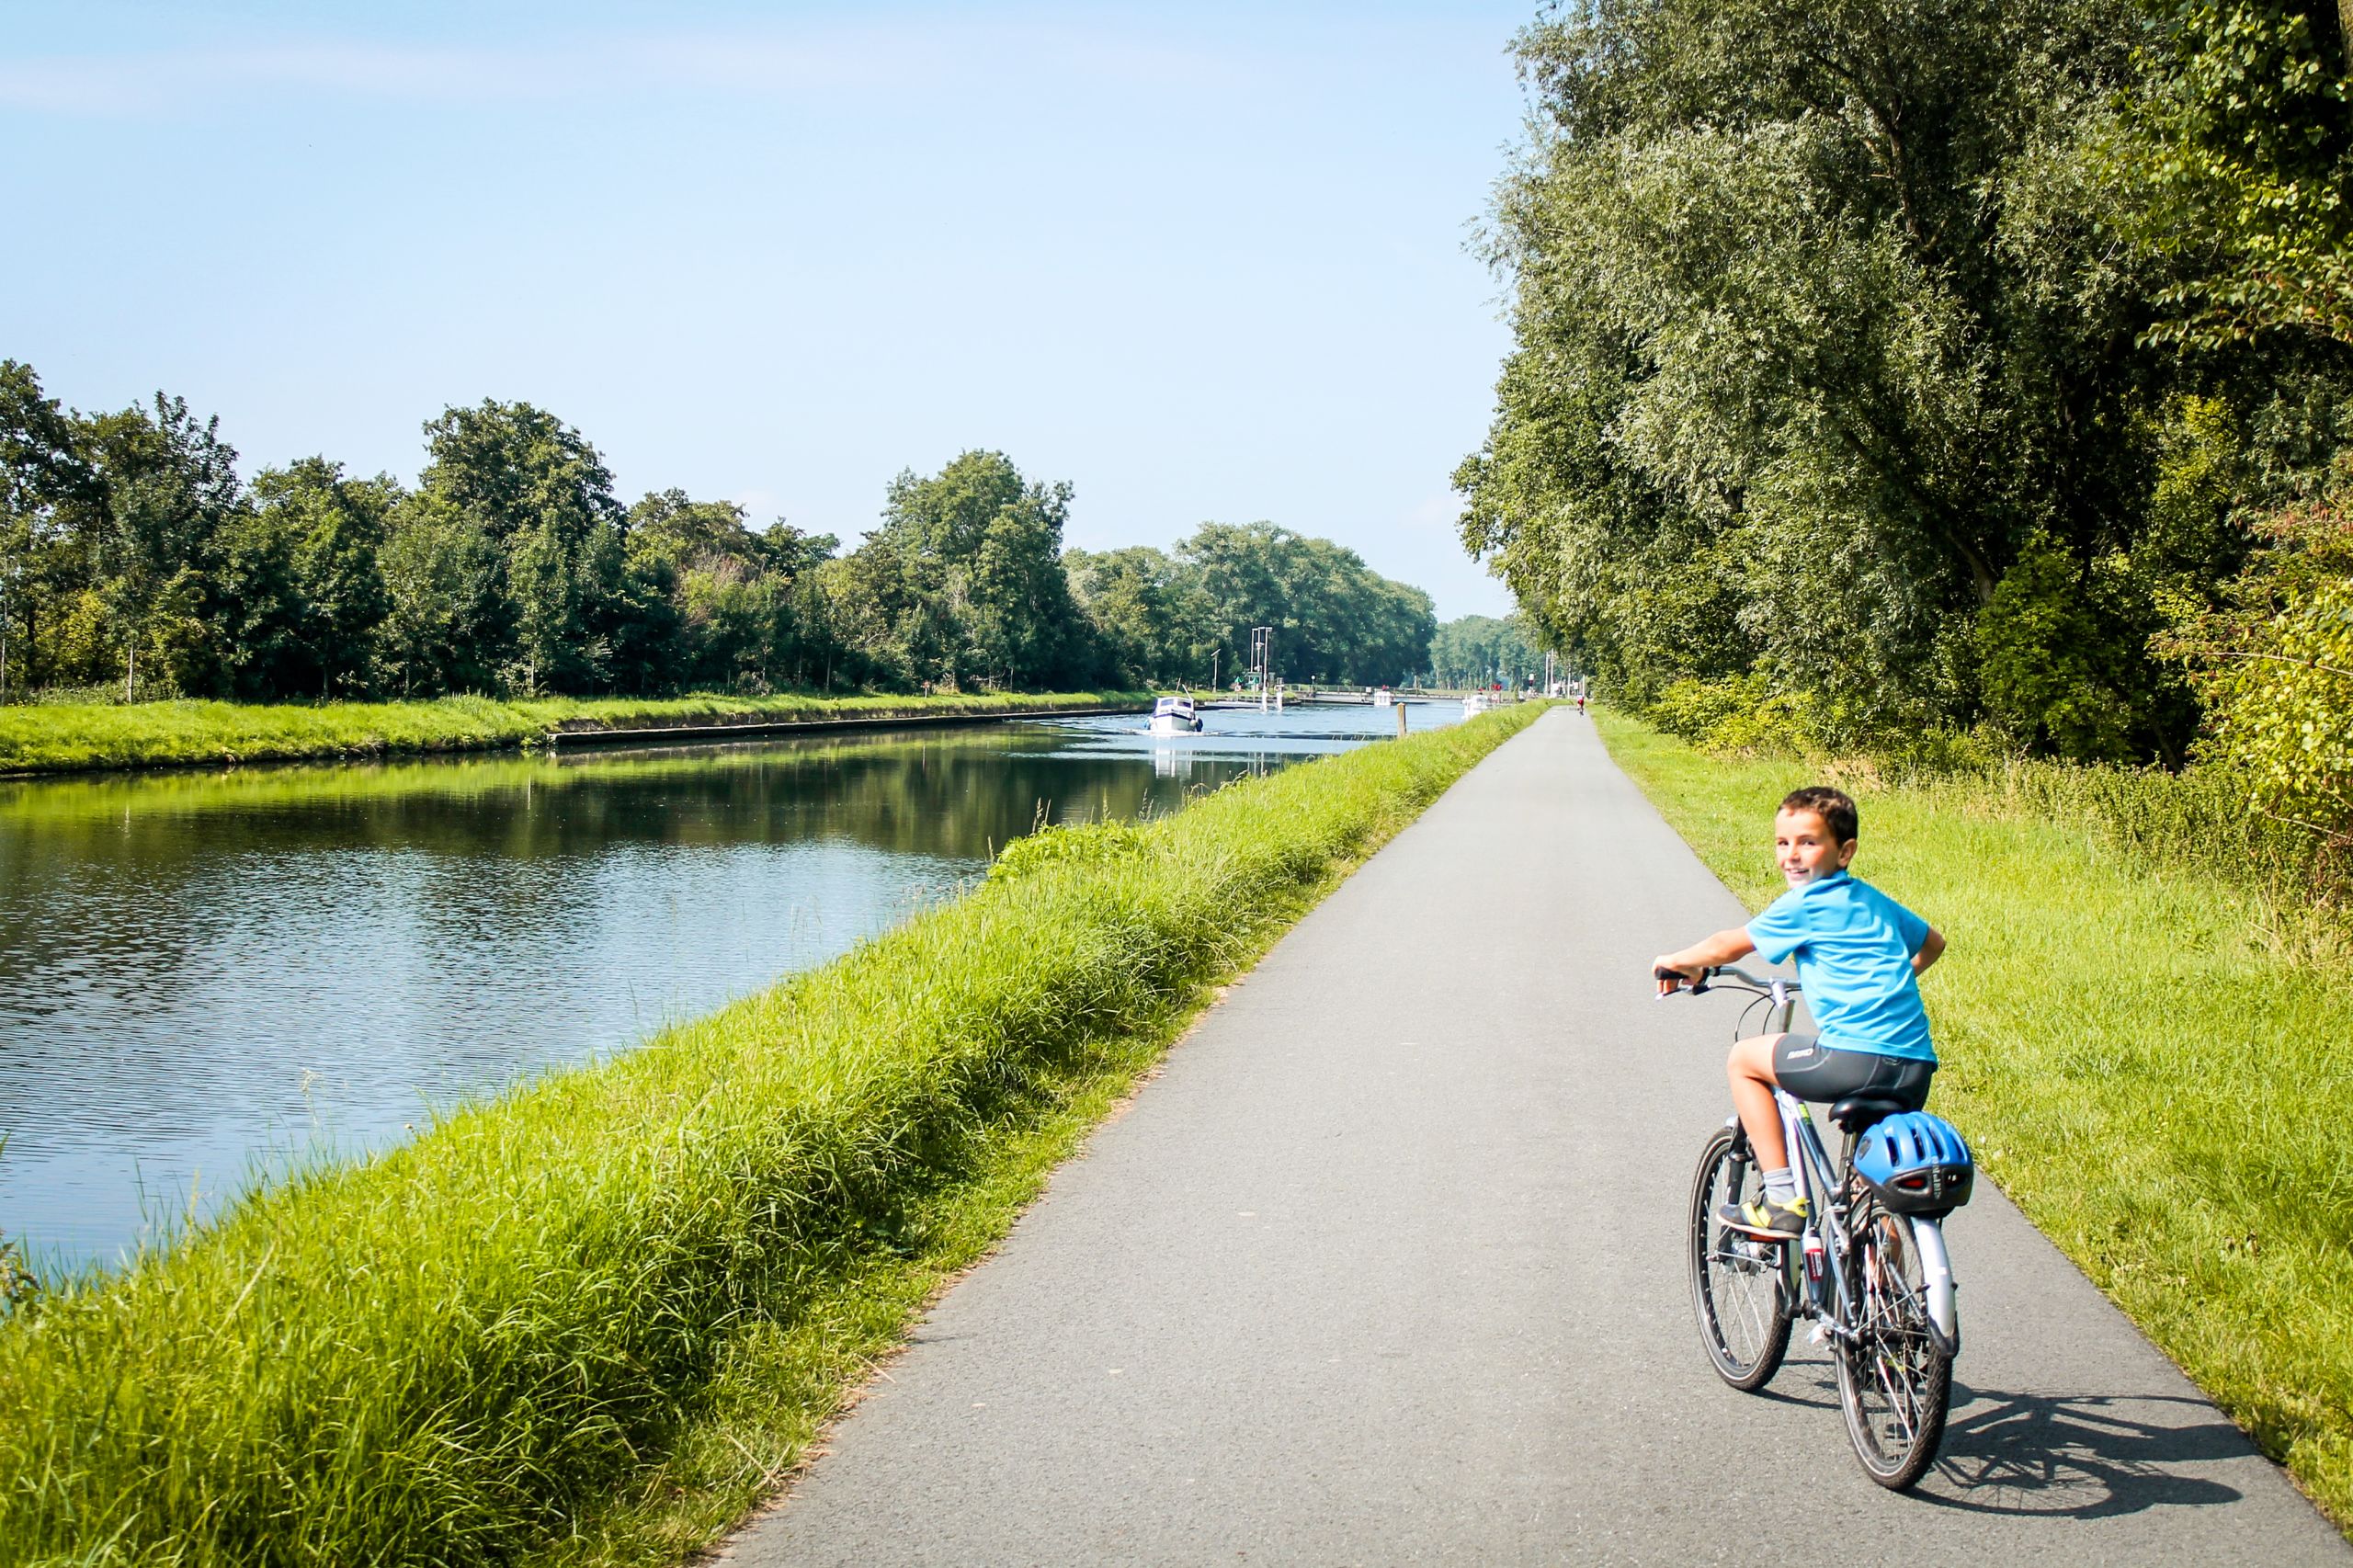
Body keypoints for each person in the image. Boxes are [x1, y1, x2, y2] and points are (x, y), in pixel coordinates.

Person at [1650, 785, 1945, 1237]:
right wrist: (1888, 984)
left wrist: (1674, 961)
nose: (1791, 854)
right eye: (1782, 843)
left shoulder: (1808, 903)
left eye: (1808, 842)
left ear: (1844, 852)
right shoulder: (1872, 901)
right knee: (1870, 1193)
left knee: (1744, 1060)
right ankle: (1886, 1297)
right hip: (1914, 1065)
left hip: (1852, 1059)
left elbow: (1727, 946)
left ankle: (1782, 1198)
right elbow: (1932, 943)